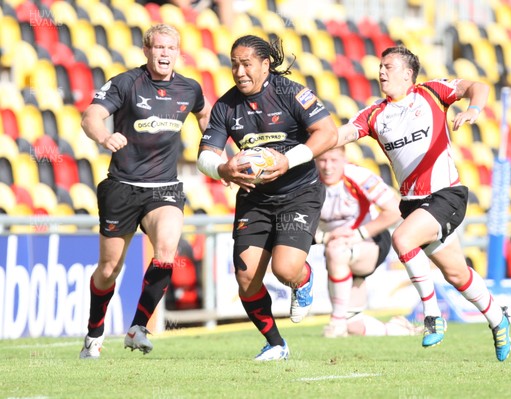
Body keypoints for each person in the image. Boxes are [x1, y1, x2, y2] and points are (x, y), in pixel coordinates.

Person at [335, 45, 511, 361]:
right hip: (413, 204)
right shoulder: (375, 114)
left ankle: (431, 315)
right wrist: (307, 147)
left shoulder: (431, 92)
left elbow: (478, 86)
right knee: (457, 274)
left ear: (408, 73)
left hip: (447, 195)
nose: (381, 72)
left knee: (402, 238)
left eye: (388, 66)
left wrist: (474, 108)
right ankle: (499, 319)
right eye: (380, 67)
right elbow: (341, 136)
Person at [196, 34, 338, 361]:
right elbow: (205, 155)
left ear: (264, 64)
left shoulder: (291, 93)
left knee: (286, 270)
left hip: (299, 192)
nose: (239, 71)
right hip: (255, 198)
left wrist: (288, 160)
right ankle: (275, 343)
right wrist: (224, 170)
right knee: (246, 278)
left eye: (246, 64)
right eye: (234, 64)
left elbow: (328, 133)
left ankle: (303, 280)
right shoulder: (226, 105)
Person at [79, 24, 212, 359]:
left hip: (164, 188)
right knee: (110, 268)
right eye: (158, 47)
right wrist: (104, 137)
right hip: (122, 187)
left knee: (166, 251)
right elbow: (90, 116)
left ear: (178, 52)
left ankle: (138, 327)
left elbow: (206, 116)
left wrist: (213, 151)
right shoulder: (126, 83)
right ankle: (94, 333)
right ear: (146, 51)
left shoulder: (190, 88)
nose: (164, 53)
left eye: (170, 48)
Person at [315, 146, 422, 337]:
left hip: (370, 242)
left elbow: (395, 210)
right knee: (354, 324)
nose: (327, 166)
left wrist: (357, 234)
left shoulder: (359, 176)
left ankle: (336, 324)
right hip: (337, 251)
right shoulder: (308, 181)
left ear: (344, 158)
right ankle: (399, 330)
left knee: (336, 249)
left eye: (334, 160)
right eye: (322, 160)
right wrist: (324, 237)